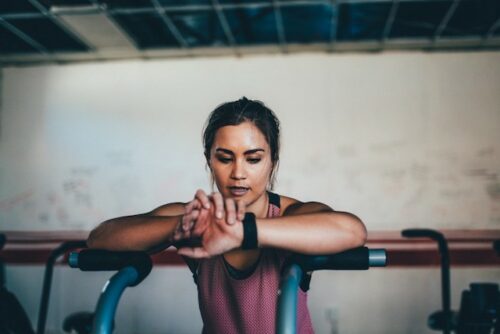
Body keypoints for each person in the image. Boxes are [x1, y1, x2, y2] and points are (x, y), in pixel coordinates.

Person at [87, 97, 367, 333]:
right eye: (224, 157)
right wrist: (183, 227)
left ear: (273, 162)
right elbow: (101, 237)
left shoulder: (292, 214)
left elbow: (351, 230)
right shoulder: (195, 217)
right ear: (209, 160)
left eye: (253, 158)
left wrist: (242, 231)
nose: (238, 173)